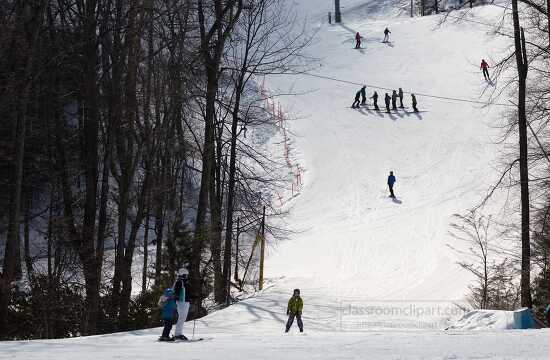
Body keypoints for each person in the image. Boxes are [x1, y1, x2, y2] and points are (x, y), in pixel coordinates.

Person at [173, 268, 191, 340]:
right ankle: (177, 334)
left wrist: (191, 297)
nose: (187, 276)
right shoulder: (179, 282)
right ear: (183, 275)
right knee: (182, 317)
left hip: (185, 302)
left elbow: (186, 292)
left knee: (183, 318)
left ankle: (179, 333)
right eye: (186, 275)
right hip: (181, 302)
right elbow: (177, 293)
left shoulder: (184, 282)